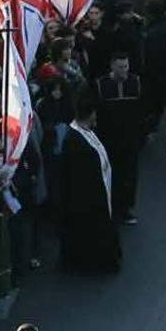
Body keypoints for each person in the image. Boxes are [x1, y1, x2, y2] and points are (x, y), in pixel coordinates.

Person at [58, 97, 121, 273]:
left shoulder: (85, 132)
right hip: (86, 198)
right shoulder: (75, 140)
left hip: (96, 191)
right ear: (90, 114)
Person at [96, 49, 146, 226]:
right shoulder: (101, 85)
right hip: (109, 140)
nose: (124, 70)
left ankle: (127, 207)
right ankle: (112, 206)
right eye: (120, 67)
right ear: (112, 67)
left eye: (126, 66)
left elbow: (143, 111)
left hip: (130, 139)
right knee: (112, 174)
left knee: (130, 175)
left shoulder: (136, 83)